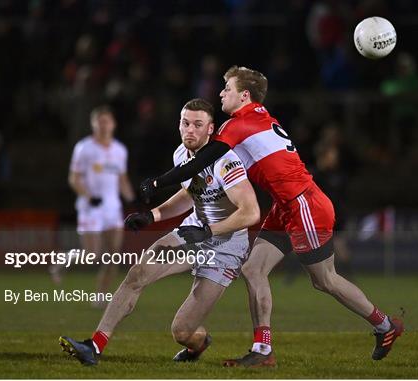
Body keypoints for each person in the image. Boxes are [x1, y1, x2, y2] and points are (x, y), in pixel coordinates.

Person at [139, 66, 404, 366]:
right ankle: (263, 350)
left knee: (325, 281)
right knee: (253, 268)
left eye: (227, 87)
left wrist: (157, 183)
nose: (222, 92)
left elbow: (198, 163)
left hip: (303, 204)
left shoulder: (236, 125)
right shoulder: (259, 116)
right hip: (286, 205)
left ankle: (385, 326)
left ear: (245, 95)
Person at [59, 98, 260, 365]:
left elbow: (250, 212)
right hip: (193, 230)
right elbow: (191, 194)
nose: (190, 130)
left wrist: (209, 231)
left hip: (225, 245)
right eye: (185, 123)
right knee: (137, 273)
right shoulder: (181, 154)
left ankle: (198, 344)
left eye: (197, 125)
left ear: (211, 129)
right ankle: (94, 346)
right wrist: (152, 215)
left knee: (183, 331)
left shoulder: (225, 161)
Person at [50, 105, 135, 307]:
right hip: (90, 207)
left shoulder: (119, 150)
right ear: (93, 124)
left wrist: (132, 199)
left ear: (113, 124)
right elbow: (74, 178)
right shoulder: (84, 148)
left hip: (112, 208)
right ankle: (65, 260)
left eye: (108, 121)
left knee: (114, 254)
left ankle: (100, 296)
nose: (104, 125)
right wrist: (88, 196)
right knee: (91, 255)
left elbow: (122, 179)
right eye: (100, 121)